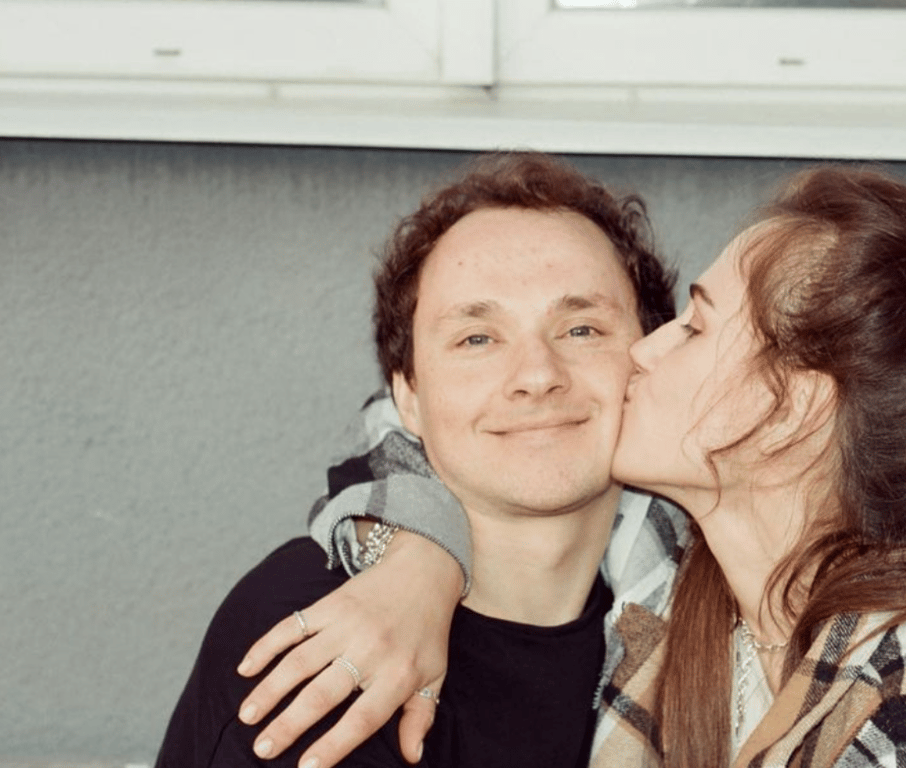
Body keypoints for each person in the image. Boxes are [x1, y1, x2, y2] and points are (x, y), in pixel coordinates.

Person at [248, 165, 906, 767]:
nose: (641, 354)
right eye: (481, 337)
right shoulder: (676, 574)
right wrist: (415, 560)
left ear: (791, 407)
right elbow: (438, 419)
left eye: (691, 326)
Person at [154, 151, 680, 768]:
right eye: (477, 339)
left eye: (582, 329)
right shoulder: (320, 627)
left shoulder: (711, 636)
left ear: (653, 358)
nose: (538, 375)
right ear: (407, 396)